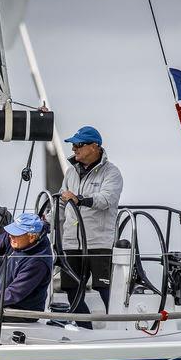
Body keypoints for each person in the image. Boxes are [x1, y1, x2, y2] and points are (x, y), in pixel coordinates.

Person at [58, 125, 123, 327]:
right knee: (71, 290)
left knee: (105, 289)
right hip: (71, 242)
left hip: (99, 242)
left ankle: (119, 330)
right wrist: (45, 221)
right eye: (73, 145)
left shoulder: (112, 172)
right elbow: (63, 202)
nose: (74, 149)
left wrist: (79, 199)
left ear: (94, 146)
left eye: (78, 144)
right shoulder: (71, 172)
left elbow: (106, 199)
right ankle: (86, 331)